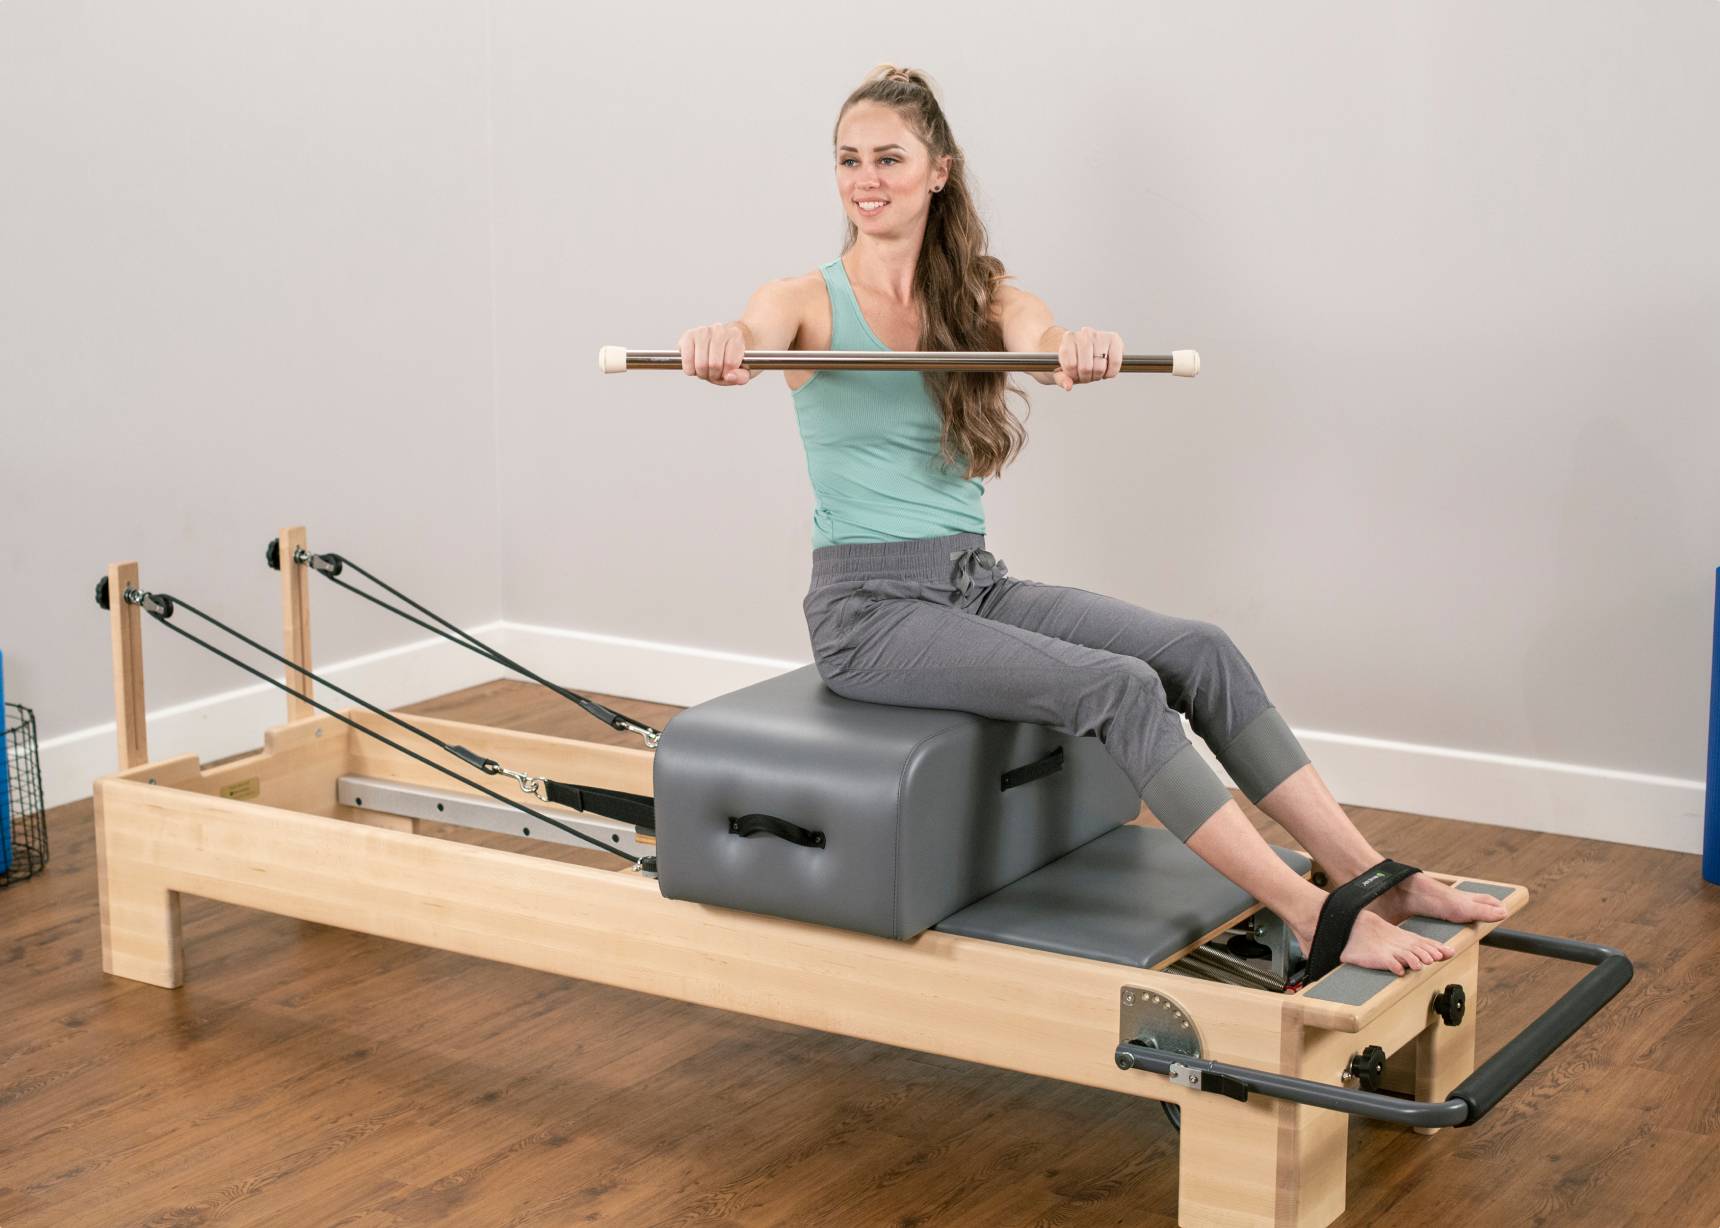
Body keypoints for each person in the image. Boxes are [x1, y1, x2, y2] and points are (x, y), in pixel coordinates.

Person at [676, 64, 1505, 975]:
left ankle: (1370, 874)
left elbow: (1040, 338)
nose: (865, 180)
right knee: (1117, 686)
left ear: (938, 171)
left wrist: (1073, 350)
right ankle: (1311, 912)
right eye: (848, 161)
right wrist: (720, 344)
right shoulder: (803, 301)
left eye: (888, 158)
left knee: (1200, 649)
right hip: (867, 614)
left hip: (969, 585)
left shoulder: (978, 297)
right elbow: (749, 332)